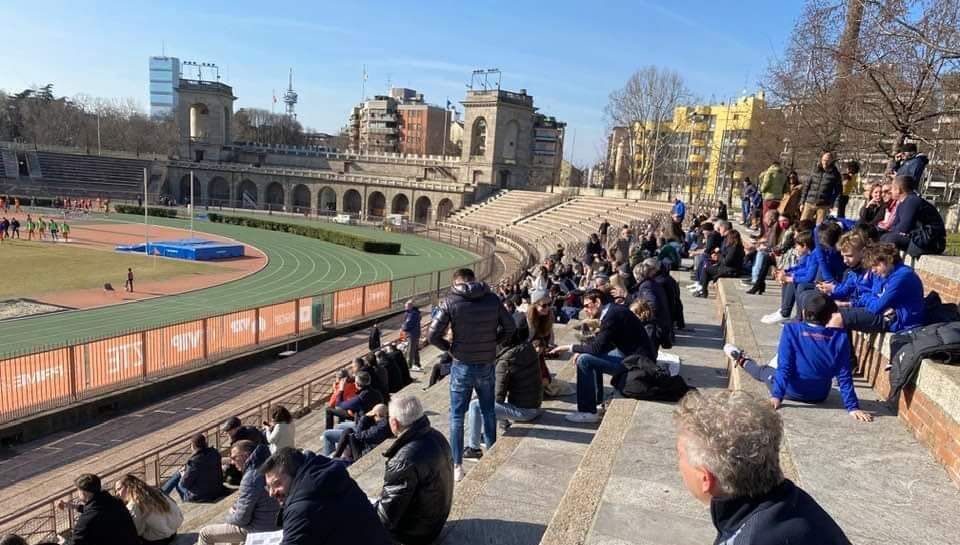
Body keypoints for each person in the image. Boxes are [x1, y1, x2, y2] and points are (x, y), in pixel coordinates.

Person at [674, 390, 854, 544]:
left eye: (680, 455)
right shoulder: (796, 504)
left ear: (705, 479)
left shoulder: (751, 538)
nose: (679, 463)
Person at [428, 267, 516, 482]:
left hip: (462, 365)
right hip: (486, 363)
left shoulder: (450, 302)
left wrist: (450, 348)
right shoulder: (493, 299)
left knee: (458, 416)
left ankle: (457, 466)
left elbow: (432, 335)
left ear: (456, 282)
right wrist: (493, 344)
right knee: (488, 411)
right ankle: (491, 455)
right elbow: (510, 327)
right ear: (474, 280)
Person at [725, 293, 872, 422]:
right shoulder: (840, 337)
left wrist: (777, 396)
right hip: (820, 394)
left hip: (792, 391)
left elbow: (785, 366)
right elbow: (844, 375)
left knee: (764, 371)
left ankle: (741, 359)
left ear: (803, 312)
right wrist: (853, 407)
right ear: (831, 315)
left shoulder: (792, 330)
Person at [550, 289, 655, 423]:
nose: (585, 310)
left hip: (637, 365)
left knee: (584, 360)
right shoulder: (614, 311)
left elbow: (596, 348)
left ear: (598, 302)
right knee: (590, 356)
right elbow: (602, 346)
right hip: (634, 358)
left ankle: (587, 411)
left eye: (587, 306)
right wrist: (584, 350)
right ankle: (596, 402)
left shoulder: (611, 316)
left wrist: (569, 348)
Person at [261, 447, 393, 545]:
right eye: (268, 487)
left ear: (295, 474)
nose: (272, 493)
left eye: (277, 484)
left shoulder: (302, 507)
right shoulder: (328, 475)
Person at [373, 396, 454, 545]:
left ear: (394, 423)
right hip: (436, 520)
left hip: (416, 534)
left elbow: (385, 519)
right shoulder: (436, 435)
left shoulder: (403, 460)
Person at [463, 327, 543, 459]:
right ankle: (496, 429)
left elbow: (497, 397)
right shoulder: (527, 348)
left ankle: (474, 448)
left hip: (524, 411)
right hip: (534, 403)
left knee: (475, 405)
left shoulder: (505, 360)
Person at [829, 242, 925, 333]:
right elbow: (872, 296)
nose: (873, 270)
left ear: (889, 260)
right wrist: (851, 304)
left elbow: (876, 307)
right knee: (830, 312)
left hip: (898, 320)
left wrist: (871, 300)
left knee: (837, 318)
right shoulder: (884, 273)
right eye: (871, 267)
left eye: (876, 265)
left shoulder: (902, 276)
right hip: (884, 313)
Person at [197, 440, 279, 545]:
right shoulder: (268, 465)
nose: (232, 462)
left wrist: (229, 517)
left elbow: (242, 519)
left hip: (260, 529)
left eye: (234, 458)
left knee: (205, 534)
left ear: (246, 456)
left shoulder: (251, 477)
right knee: (230, 534)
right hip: (273, 523)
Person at [56, 474, 139, 545]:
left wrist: (64, 542)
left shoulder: (86, 520)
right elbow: (98, 510)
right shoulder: (116, 502)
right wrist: (72, 506)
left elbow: (75, 542)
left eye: (78, 490)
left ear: (84, 492)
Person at [322, 370, 383, 455]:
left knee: (326, 435)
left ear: (357, 384)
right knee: (339, 426)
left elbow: (339, 405)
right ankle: (343, 450)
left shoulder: (360, 398)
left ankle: (328, 458)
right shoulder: (377, 393)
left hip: (362, 429)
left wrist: (340, 390)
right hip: (372, 424)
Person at [115, 474, 183, 545]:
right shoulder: (155, 491)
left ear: (129, 486)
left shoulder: (134, 504)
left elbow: (137, 531)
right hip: (173, 532)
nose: (117, 494)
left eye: (119, 489)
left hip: (160, 540)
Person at [161, 433, 224, 502]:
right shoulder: (214, 452)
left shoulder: (195, 461)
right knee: (180, 473)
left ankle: (162, 495)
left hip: (204, 495)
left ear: (193, 446)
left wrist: (183, 475)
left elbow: (184, 484)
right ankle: (162, 493)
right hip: (217, 488)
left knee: (179, 480)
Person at [879, 175, 928, 250]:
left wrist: (891, 232)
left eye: (892, 188)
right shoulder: (901, 203)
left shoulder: (912, 200)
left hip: (929, 240)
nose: (890, 191)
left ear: (898, 190)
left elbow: (904, 227)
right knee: (882, 236)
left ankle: (884, 261)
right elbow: (895, 225)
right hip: (916, 236)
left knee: (890, 239)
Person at [694, 230, 745, 299]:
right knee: (707, 268)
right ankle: (702, 289)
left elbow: (727, 261)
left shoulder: (733, 248)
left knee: (706, 270)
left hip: (731, 270)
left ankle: (703, 291)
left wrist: (718, 257)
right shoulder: (737, 247)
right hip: (728, 268)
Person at [222, 416, 267, 486]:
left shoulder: (239, 441)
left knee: (229, 478)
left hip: (253, 468)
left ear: (237, 428)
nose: (228, 434)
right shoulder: (251, 430)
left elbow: (238, 460)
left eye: (229, 431)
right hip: (262, 461)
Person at [801, 151, 841, 223]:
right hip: (809, 202)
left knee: (819, 228)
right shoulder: (815, 171)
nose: (825, 162)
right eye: (824, 160)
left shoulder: (835, 174)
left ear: (831, 161)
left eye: (827, 161)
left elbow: (838, 191)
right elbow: (807, 187)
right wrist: (802, 202)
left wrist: (835, 205)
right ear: (821, 160)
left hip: (823, 205)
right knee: (803, 224)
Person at [759, 160, 787, 235]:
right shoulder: (783, 174)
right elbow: (786, 189)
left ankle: (766, 235)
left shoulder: (770, 172)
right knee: (774, 218)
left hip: (769, 198)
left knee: (766, 218)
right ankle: (772, 236)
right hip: (778, 200)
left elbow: (765, 185)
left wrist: (761, 190)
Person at [402, 300, 423, 370]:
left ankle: (409, 365)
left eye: (406, 306)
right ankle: (417, 363)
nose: (405, 307)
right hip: (415, 333)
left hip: (412, 334)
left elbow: (407, 325)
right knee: (415, 349)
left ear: (410, 306)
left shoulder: (412, 314)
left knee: (410, 350)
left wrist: (403, 327)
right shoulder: (415, 313)